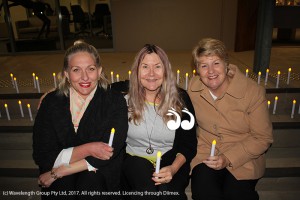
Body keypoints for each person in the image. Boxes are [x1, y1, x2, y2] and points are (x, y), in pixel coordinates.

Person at [32, 40, 128, 200]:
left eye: (90, 69)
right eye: (76, 70)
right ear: (66, 74)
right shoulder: (51, 102)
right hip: (57, 167)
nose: (85, 77)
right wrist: (88, 148)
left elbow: (110, 150)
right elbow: (43, 154)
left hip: (99, 170)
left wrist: (60, 171)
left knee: (90, 185)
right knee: (62, 189)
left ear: (99, 71)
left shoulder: (114, 100)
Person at [187, 38, 273, 200]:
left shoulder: (252, 92)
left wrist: (228, 158)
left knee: (236, 194)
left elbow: (263, 137)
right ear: (197, 70)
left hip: (244, 157)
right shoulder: (193, 89)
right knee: (204, 192)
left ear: (226, 65)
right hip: (206, 154)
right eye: (204, 65)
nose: (210, 71)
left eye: (216, 63)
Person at [121, 44, 197, 200]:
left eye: (157, 66)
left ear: (166, 71)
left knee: (169, 195)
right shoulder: (123, 99)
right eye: (145, 67)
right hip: (134, 161)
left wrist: (173, 169)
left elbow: (189, 144)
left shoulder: (180, 100)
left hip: (171, 161)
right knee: (145, 191)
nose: (151, 73)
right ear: (136, 71)